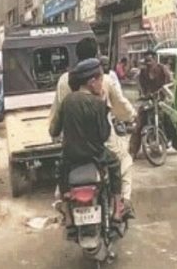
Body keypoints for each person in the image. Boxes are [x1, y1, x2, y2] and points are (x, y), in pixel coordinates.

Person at [49, 38, 136, 208]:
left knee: (62, 166)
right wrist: (131, 115)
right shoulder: (104, 82)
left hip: (72, 144)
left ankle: (62, 199)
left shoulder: (63, 81)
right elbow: (120, 107)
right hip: (99, 145)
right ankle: (121, 202)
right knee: (124, 161)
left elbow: (55, 118)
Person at [48, 58, 124, 246]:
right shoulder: (97, 103)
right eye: (100, 80)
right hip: (95, 156)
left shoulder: (67, 102)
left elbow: (54, 131)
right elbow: (105, 135)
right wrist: (104, 108)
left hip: (72, 157)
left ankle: (68, 214)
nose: (101, 84)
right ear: (91, 82)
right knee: (115, 164)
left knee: (61, 173)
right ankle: (117, 209)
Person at [128, 50, 173, 158]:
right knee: (139, 122)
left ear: (154, 59)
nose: (148, 63)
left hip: (162, 99)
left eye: (150, 60)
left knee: (170, 119)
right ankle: (132, 151)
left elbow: (171, 82)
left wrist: (164, 90)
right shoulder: (142, 73)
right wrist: (144, 94)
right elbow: (141, 87)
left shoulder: (163, 69)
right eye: (146, 61)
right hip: (149, 100)